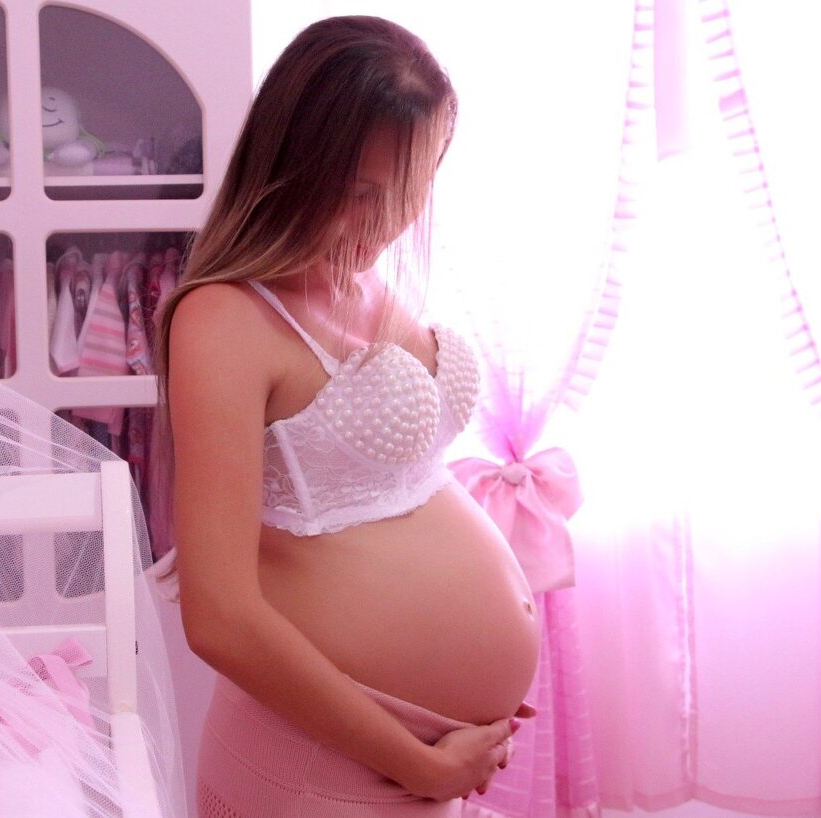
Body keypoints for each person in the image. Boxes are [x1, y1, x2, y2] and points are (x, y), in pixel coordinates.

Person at [155, 15, 540, 816]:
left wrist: (461, 687)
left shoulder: (364, 281)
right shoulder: (225, 319)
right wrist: (419, 762)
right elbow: (219, 618)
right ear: (295, 161)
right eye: (363, 194)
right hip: (321, 770)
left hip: (406, 754)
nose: (385, 223)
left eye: (409, 191)